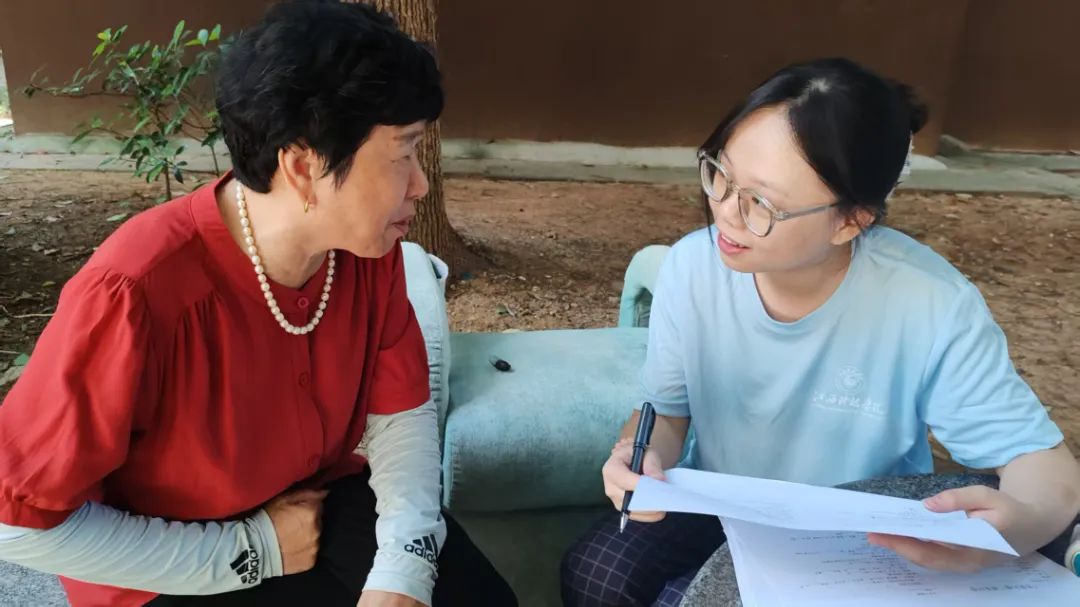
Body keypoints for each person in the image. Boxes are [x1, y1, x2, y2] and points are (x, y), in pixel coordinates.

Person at [0, 2, 516, 606]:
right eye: (403, 154)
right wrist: (255, 549)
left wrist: (403, 570)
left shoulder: (367, 254)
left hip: (315, 501)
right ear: (302, 166)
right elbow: (16, 523)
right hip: (169, 560)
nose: (421, 184)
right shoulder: (133, 291)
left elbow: (401, 415)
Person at [561, 57, 1080, 606]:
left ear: (851, 220)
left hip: (857, 525)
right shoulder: (692, 268)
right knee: (595, 573)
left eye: (763, 203)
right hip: (726, 498)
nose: (726, 213)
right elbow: (666, 412)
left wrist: (1016, 528)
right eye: (721, 174)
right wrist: (637, 454)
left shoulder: (930, 303)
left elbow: (1044, 467)